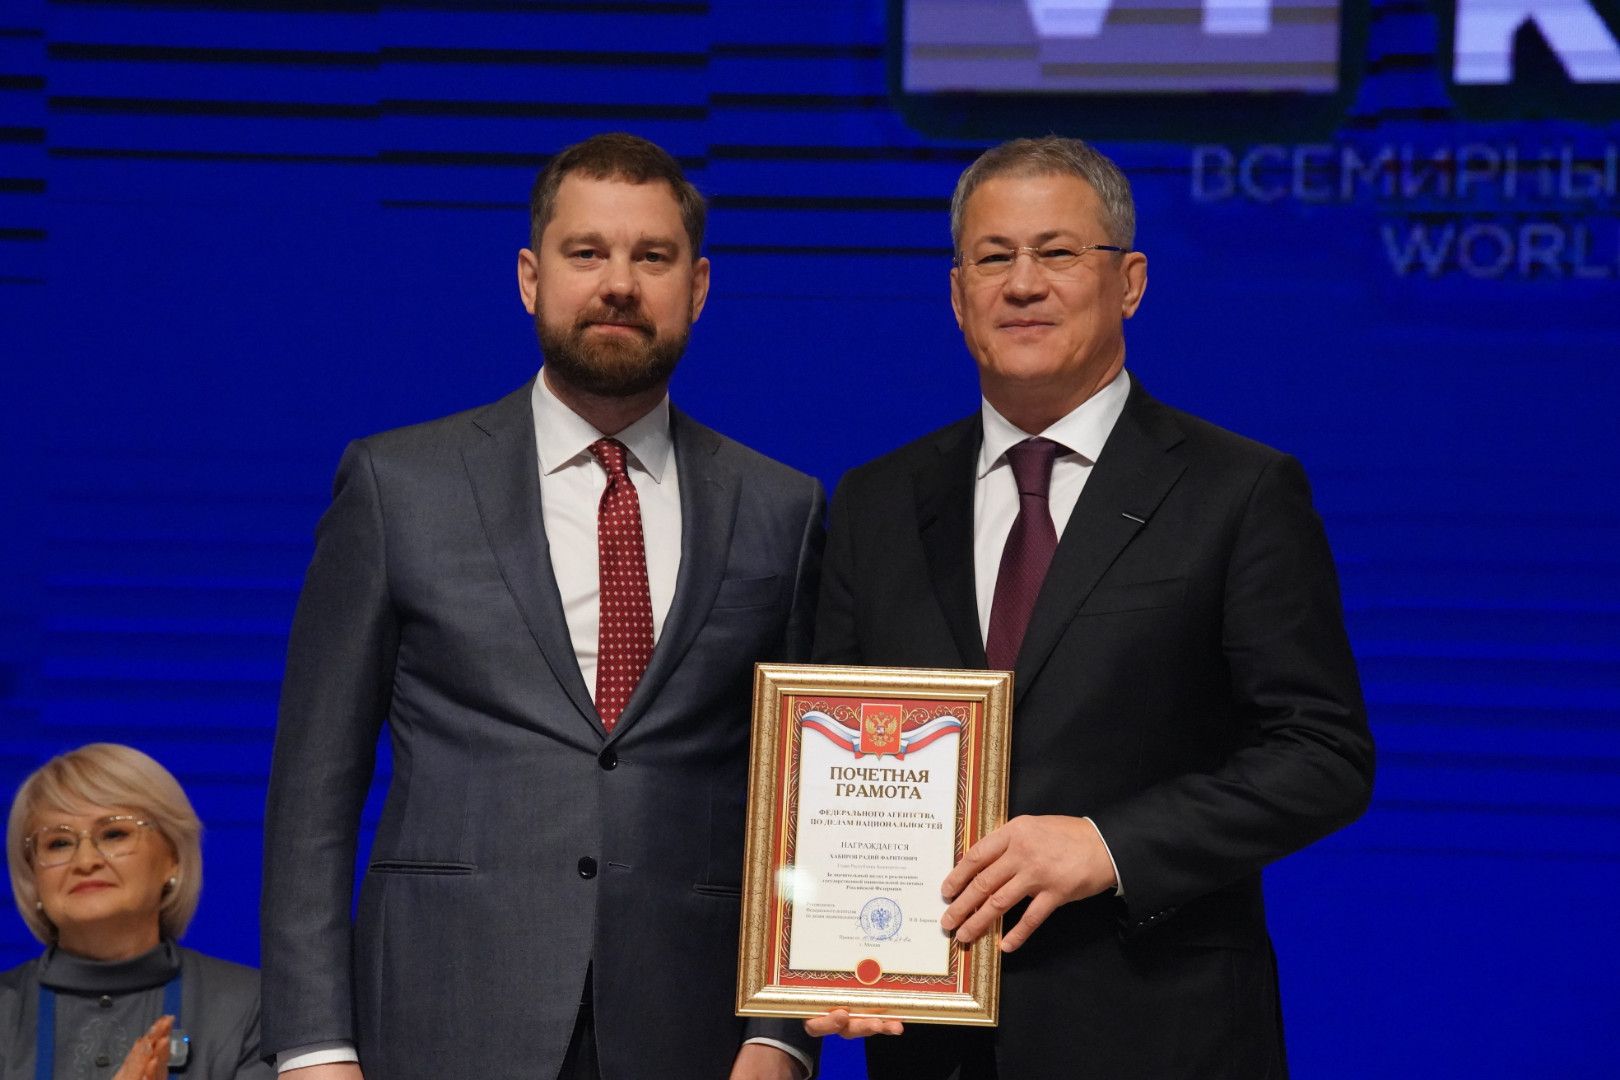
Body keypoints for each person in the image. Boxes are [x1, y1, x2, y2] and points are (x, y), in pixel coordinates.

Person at [808, 136, 1375, 1077]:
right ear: (957, 295)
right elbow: (826, 751)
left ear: (1130, 282)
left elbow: (1322, 755)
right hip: (934, 1045)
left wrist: (1108, 846)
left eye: (1059, 252)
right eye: (993, 257)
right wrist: (830, 945)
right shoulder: (877, 503)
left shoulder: (1237, 492)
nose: (1023, 284)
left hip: (1163, 1034)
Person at [260, 133, 823, 1080]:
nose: (619, 284)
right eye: (586, 252)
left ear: (698, 287)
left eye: (652, 257)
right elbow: (314, 789)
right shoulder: (398, 486)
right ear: (531, 278)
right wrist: (313, 1045)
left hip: (693, 1029)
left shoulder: (783, 508)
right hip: (442, 1013)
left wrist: (783, 1032)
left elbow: (800, 800)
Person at [1, 743, 272, 1080]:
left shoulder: (250, 1008)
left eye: (114, 834)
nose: (85, 861)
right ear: (32, 875)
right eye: (59, 843)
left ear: (173, 858)